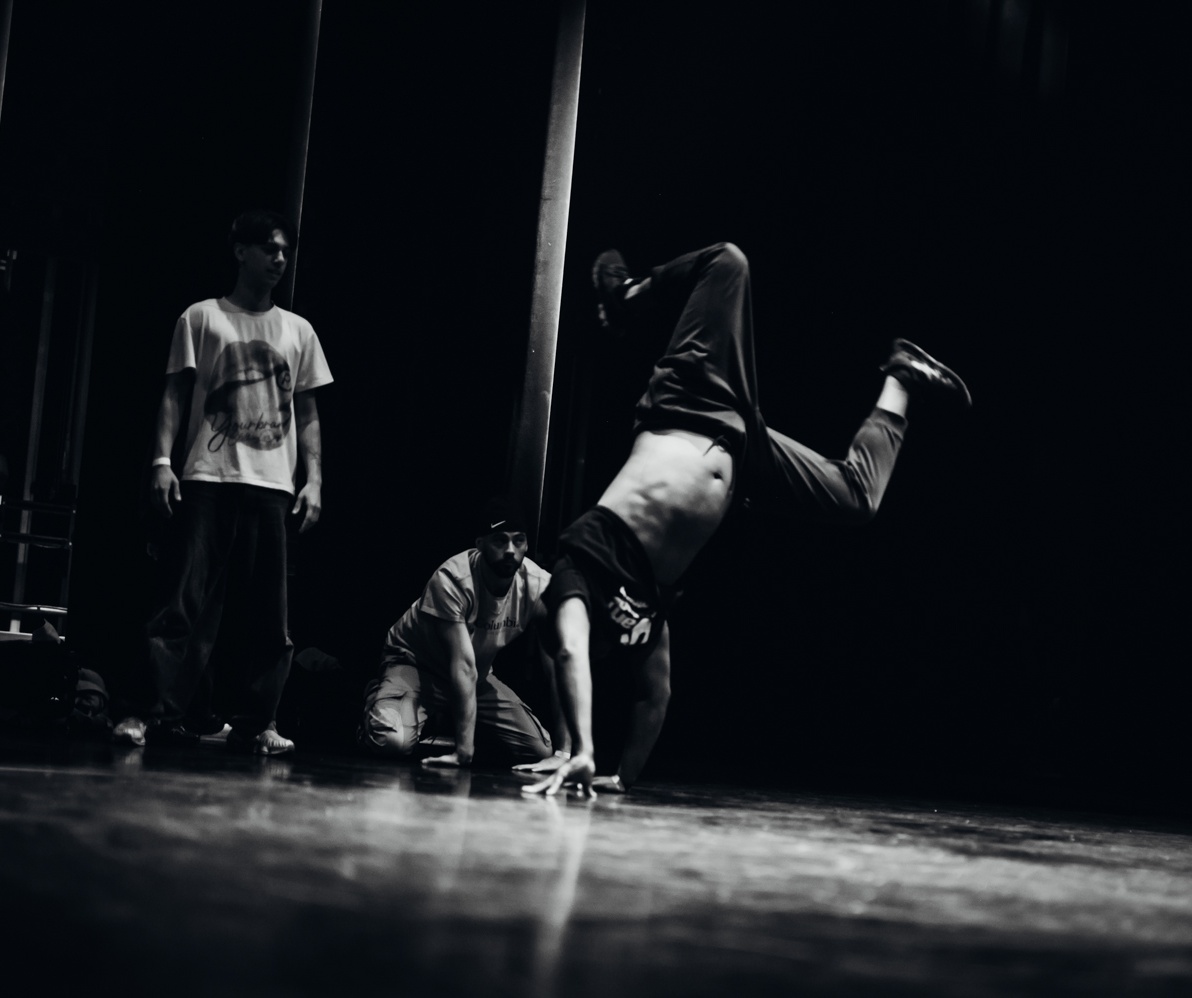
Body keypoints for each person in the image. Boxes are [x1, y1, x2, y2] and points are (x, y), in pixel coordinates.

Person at [523, 243, 971, 796]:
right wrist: (620, 778)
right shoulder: (642, 615)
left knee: (729, 263)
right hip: (742, 450)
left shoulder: (576, 570)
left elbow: (569, 651)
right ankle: (902, 377)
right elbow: (655, 694)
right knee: (857, 498)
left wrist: (582, 749)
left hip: (688, 403)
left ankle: (627, 294)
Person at [112, 209, 332, 755]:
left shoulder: (299, 330)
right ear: (240, 251)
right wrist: (161, 461)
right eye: (269, 249)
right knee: (180, 602)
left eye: (285, 251)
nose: (279, 259)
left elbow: (307, 412)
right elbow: (174, 394)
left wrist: (314, 481)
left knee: (269, 615)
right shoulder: (201, 317)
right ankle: (146, 712)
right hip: (208, 476)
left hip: (273, 486)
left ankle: (260, 721)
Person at [358, 495, 569, 768]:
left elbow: (560, 666)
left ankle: (451, 720)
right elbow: (463, 666)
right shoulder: (453, 579)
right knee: (391, 742)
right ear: (480, 544)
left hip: (476, 676)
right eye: (500, 540)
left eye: (518, 541)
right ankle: (377, 700)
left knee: (540, 751)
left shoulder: (539, 586)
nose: (510, 550)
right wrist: (463, 753)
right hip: (417, 667)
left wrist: (563, 755)